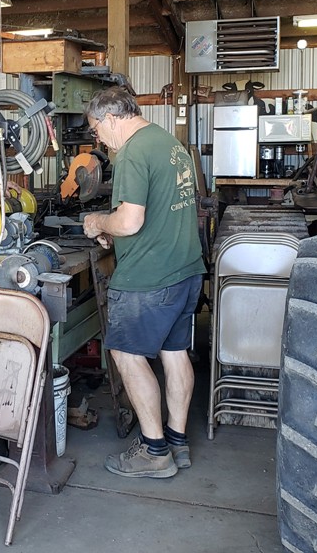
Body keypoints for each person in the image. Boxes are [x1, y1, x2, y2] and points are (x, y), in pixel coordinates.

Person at [82, 86, 205, 479]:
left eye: (96, 129)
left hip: (149, 279)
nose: (98, 139)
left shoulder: (133, 152)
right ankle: (177, 441)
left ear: (111, 118)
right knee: (174, 354)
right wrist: (115, 230)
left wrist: (98, 222)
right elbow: (161, 211)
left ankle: (155, 453)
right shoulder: (168, 142)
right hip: (185, 269)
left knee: (127, 356)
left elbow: (131, 221)